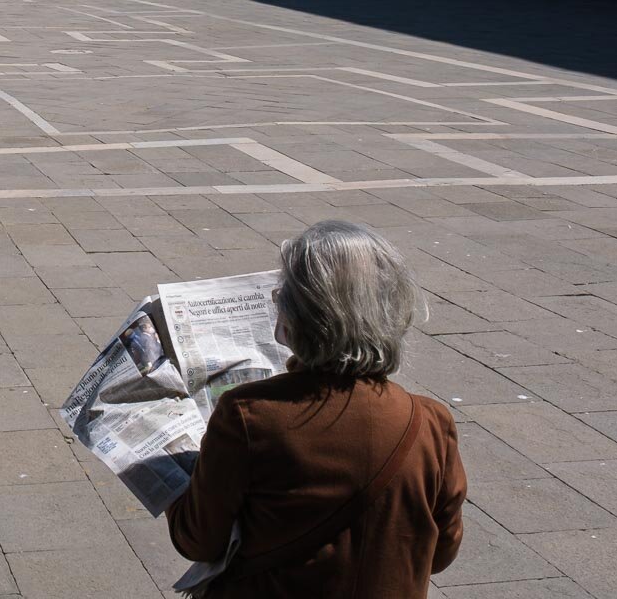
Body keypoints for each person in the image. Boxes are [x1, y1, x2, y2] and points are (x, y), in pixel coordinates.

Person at [167, 221, 466, 598]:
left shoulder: (249, 414)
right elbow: (439, 549)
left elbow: (198, 540)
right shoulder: (432, 423)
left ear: (297, 319)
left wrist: (177, 485)